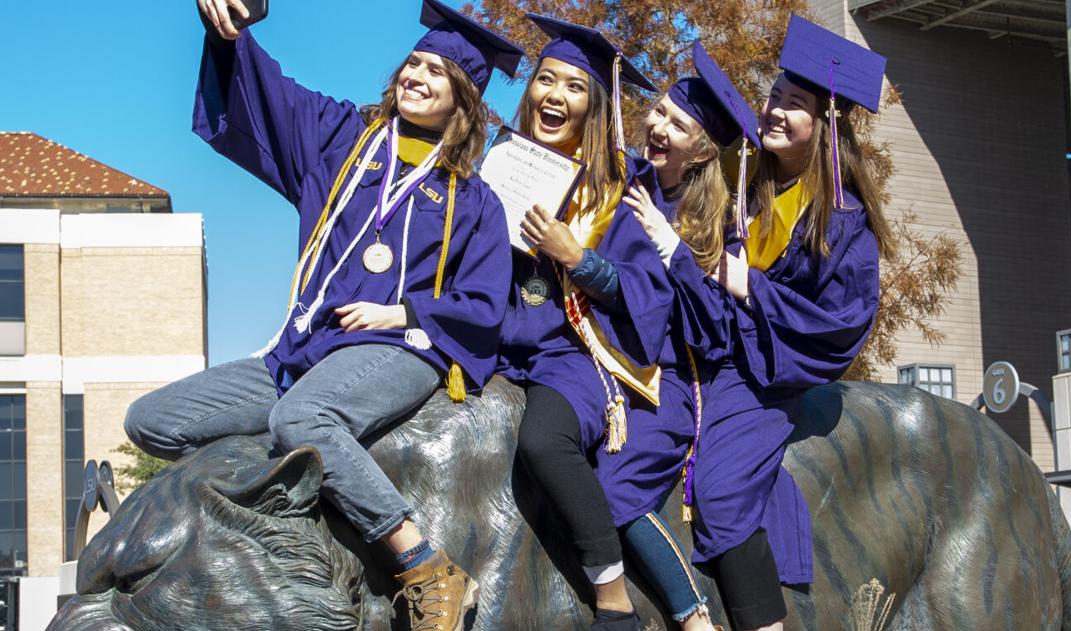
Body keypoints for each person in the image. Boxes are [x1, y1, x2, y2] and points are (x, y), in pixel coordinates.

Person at [124, 2, 520, 629]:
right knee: (152, 420)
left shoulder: (474, 201)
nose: (416, 76)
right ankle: (283, 502)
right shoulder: (341, 140)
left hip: (403, 350)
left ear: (462, 102)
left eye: (436, 73)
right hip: (301, 348)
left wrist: (403, 312)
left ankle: (421, 563)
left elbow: (485, 303)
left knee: (303, 414)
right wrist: (228, 31)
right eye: (413, 63)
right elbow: (265, 90)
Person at [659, 16, 892, 630]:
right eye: (774, 98)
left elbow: (840, 324)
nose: (775, 112)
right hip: (695, 345)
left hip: (761, 371)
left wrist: (749, 286)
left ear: (825, 126)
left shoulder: (843, 223)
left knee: (719, 492)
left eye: (795, 105)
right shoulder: (747, 177)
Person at [497, 13, 673, 631]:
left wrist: (578, 257)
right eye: (546, 80)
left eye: (574, 87)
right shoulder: (498, 165)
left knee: (543, 441)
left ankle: (613, 596)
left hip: (577, 353)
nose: (555, 96)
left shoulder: (623, 185)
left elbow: (649, 294)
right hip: (494, 342)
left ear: (594, 106)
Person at [601, 40, 765, 631]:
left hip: (665, 381)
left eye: (676, 122)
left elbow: (718, 331)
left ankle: (692, 616)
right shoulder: (623, 180)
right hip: (594, 361)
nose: (656, 124)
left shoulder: (719, 226)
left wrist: (673, 251)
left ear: (700, 152)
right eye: (658, 112)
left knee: (614, 492)